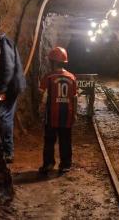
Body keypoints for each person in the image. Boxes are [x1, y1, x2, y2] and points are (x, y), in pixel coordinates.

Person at [38, 46, 78, 174]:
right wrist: (75, 114)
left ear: (53, 62)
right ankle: (65, 164)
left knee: (49, 140)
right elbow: (75, 98)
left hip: (52, 115)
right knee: (66, 140)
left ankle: (49, 164)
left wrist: (41, 112)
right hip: (67, 115)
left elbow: (43, 96)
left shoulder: (48, 77)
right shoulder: (71, 77)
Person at [0, 20, 26, 163]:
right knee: (6, 117)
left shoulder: (3, 42)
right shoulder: (5, 41)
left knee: (4, 117)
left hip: (10, 88)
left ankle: (7, 152)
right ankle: (5, 149)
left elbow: (7, 67)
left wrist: (1, 90)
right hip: (13, 86)